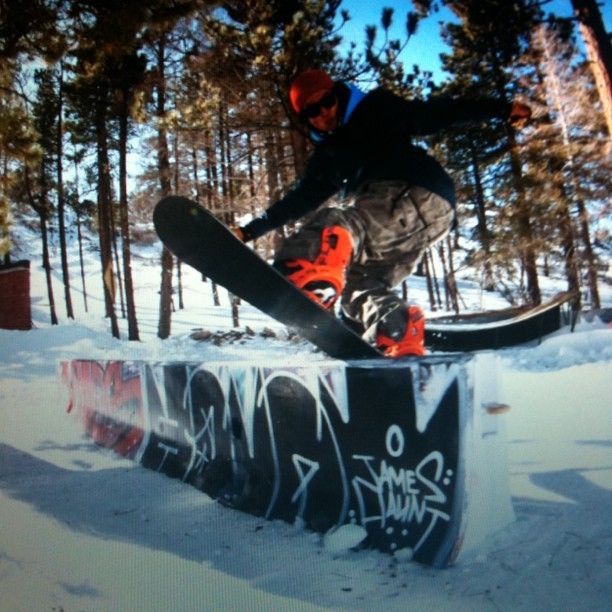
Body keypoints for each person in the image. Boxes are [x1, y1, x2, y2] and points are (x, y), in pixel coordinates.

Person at [234, 70, 531, 357]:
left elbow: (437, 113)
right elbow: (297, 201)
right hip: (418, 225)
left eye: (327, 101)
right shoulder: (326, 159)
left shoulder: (377, 108)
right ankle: (397, 332)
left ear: (337, 95)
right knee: (358, 286)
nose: (324, 113)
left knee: (336, 224)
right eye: (313, 111)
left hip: (414, 190)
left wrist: (500, 108)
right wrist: (248, 231)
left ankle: (305, 276)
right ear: (306, 119)